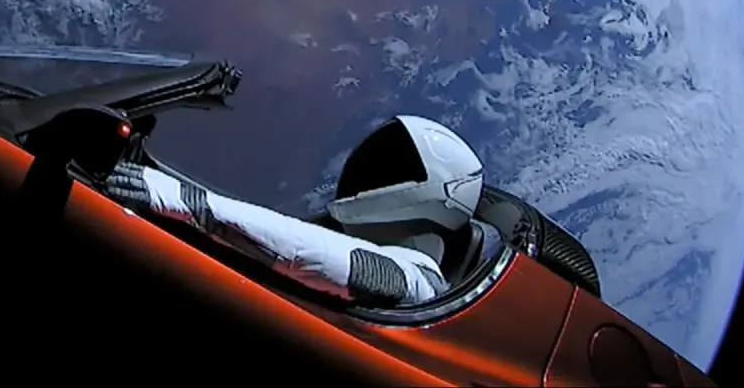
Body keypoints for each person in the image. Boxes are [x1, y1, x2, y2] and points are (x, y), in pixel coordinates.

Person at [105, 115, 484, 307]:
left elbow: (334, 261)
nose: (365, 173)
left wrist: (192, 203)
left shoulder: (420, 284)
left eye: (389, 167)